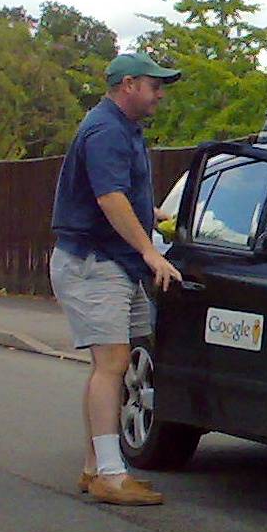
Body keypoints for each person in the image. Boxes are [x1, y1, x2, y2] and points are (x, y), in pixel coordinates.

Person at [49, 52, 184, 506]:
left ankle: (96, 468)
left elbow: (119, 195)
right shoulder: (106, 130)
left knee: (111, 364)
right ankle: (109, 473)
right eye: (154, 85)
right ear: (128, 84)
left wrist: (152, 214)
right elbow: (109, 198)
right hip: (95, 262)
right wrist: (149, 251)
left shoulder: (121, 127)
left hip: (110, 261)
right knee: (112, 363)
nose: (160, 94)